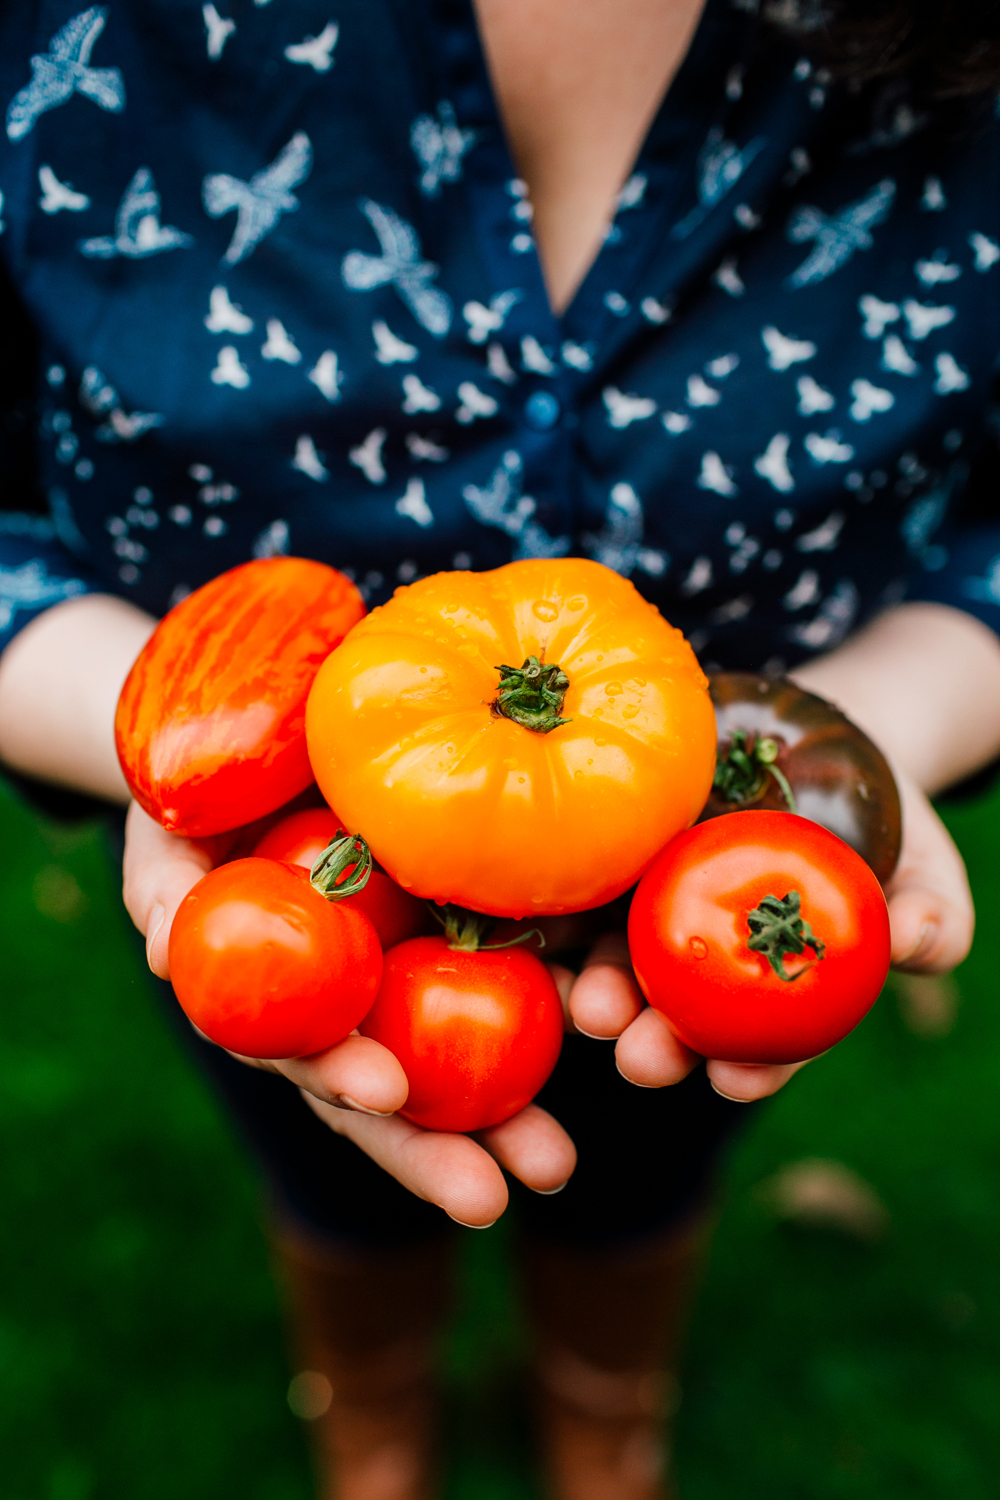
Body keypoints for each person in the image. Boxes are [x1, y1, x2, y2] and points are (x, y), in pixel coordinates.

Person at [1, 1, 999, 1495]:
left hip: (695, 870)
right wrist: (155, 729)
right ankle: (372, 1404)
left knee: (650, 1174)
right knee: (331, 1171)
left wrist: (879, 726)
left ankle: (604, 1409)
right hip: (294, 857)